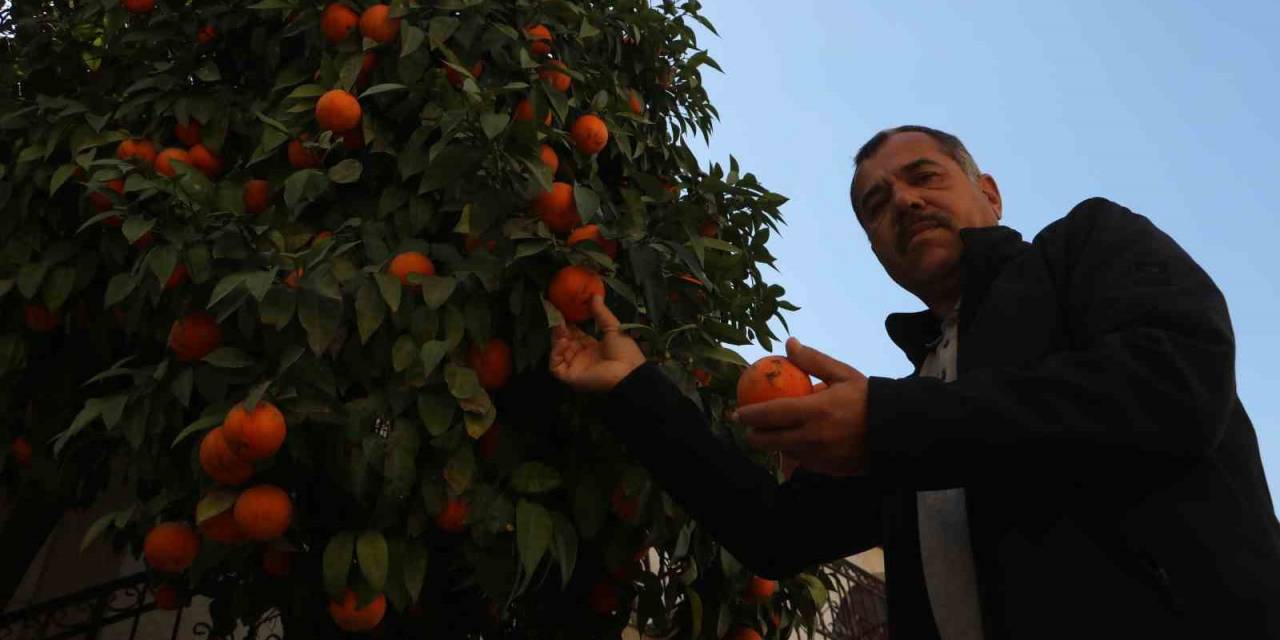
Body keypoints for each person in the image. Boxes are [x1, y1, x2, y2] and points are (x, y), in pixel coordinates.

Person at [549, 125, 1280, 639]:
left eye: (924, 176)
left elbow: (1176, 386)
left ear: (989, 192)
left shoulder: (1084, 247)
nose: (900, 201)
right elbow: (773, 532)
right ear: (875, 249)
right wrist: (636, 389)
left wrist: (892, 421)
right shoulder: (917, 395)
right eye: (875, 204)